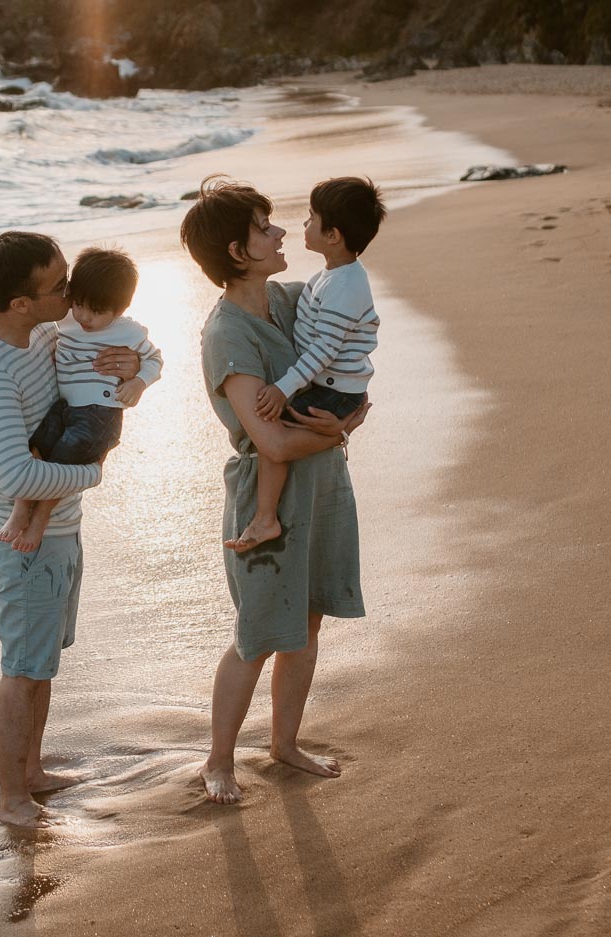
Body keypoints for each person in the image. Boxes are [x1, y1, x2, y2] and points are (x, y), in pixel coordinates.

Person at [180, 176, 369, 805]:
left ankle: (285, 744)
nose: (282, 232)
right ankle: (218, 760)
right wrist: (336, 429)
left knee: (308, 621)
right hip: (274, 498)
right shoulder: (226, 336)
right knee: (259, 633)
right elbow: (275, 444)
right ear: (238, 251)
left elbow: (353, 378)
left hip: (324, 488)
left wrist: (345, 415)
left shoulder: (293, 300)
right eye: (265, 227)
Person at [0, 231, 141, 828]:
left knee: (42, 662)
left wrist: (133, 364)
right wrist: (96, 471)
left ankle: (31, 770)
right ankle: (11, 798)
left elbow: (94, 369)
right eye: (60, 285)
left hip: (60, 528)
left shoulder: (44, 332)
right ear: (20, 302)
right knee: (22, 667)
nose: (72, 291)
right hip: (24, 543)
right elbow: (13, 471)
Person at [229, 176, 386, 552]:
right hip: (336, 386)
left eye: (312, 218)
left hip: (333, 388)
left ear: (332, 235)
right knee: (280, 432)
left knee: (273, 432)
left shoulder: (344, 287)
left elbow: (324, 351)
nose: (302, 225)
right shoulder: (333, 278)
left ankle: (266, 519)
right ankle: (334, 438)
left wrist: (284, 388)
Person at [0, 247, 164, 552]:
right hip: (66, 408)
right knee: (38, 444)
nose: (85, 316)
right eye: (80, 305)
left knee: (63, 458)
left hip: (99, 415)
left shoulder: (127, 331)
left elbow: (154, 359)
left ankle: (40, 519)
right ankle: (21, 509)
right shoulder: (67, 320)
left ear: (120, 309)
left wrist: (138, 382)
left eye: (97, 312)